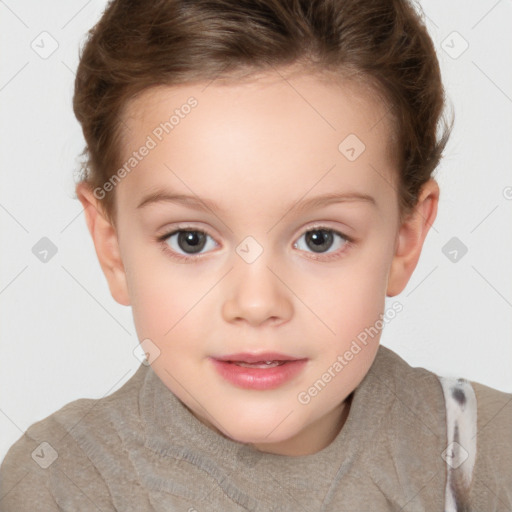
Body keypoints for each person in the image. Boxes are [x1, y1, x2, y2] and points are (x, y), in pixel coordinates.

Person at [1, 0, 510, 510]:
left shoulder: (487, 455)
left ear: (406, 237)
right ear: (112, 248)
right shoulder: (60, 482)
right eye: (190, 239)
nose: (257, 302)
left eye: (319, 239)